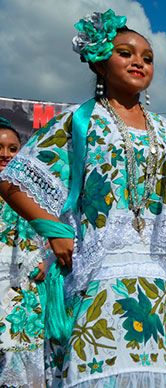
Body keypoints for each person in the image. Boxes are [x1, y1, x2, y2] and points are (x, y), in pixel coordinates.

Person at [0, 10, 166, 387]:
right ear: (100, 63)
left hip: (165, 276)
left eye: (148, 58)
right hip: (103, 269)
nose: (139, 62)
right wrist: (53, 230)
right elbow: (12, 181)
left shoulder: (165, 131)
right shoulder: (79, 121)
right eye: (126, 53)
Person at [0, 117, 46, 387]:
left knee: (17, 352)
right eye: (0, 148)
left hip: (20, 281)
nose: (5, 155)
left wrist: (41, 259)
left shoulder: (27, 190)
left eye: (13, 148)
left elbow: (38, 228)